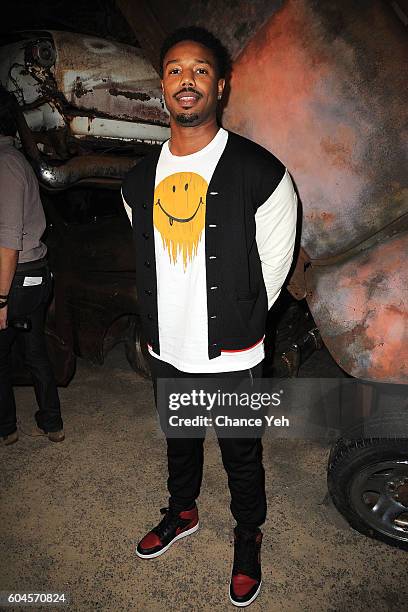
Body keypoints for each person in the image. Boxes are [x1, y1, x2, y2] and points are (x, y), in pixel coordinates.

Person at [122, 27, 297, 607]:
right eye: (174, 70)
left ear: (220, 85)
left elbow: (276, 262)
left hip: (233, 352)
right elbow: (146, 260)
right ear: (163, 88)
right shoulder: (137, 181)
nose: (186, 80)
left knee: (242, 454)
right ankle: (183, 511)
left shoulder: (261, 172)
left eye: (199, 70)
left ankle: (248, 536)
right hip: (167, 346)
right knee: (179, 439)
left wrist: (242, 318)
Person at [0, 87, 64, 445]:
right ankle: (51, 422)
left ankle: (6, 428)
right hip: (33, 272)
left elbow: (8, 242)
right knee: (34, 349)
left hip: (19, 276)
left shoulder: (6, 163)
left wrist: (1, 300)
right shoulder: (16, 158)